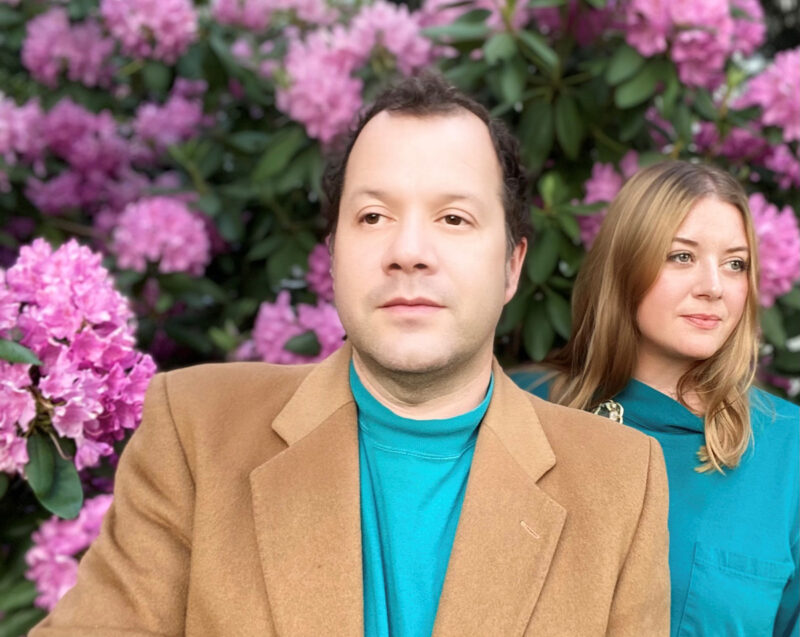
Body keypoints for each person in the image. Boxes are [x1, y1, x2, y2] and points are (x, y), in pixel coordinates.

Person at [31, 73, 670, 637]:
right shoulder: (197, 429)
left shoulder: (619, 482)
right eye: (372, 217)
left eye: (453, 219)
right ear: (333, 253)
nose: (409, 250)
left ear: (512, 265)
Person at [513, 161, 799, 637]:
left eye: (735, 264)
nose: (713, 287)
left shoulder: (787, 450)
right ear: (625, 266)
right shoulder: (525, 406)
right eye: (681, 257)